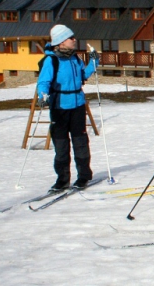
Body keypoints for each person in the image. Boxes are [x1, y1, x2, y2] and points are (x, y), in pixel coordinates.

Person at [37, 24, 99, 192]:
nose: (74, 40)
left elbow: (83, 76)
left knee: (80, 142)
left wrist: (94, 61)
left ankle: (84, 176)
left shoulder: (75, 58)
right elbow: (43, 82)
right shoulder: (52, 60)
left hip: (78, 104)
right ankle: (62, 179)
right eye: (71, 38)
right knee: (61, 144)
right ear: (61, 42)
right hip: (59, 106)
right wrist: (42, 95)